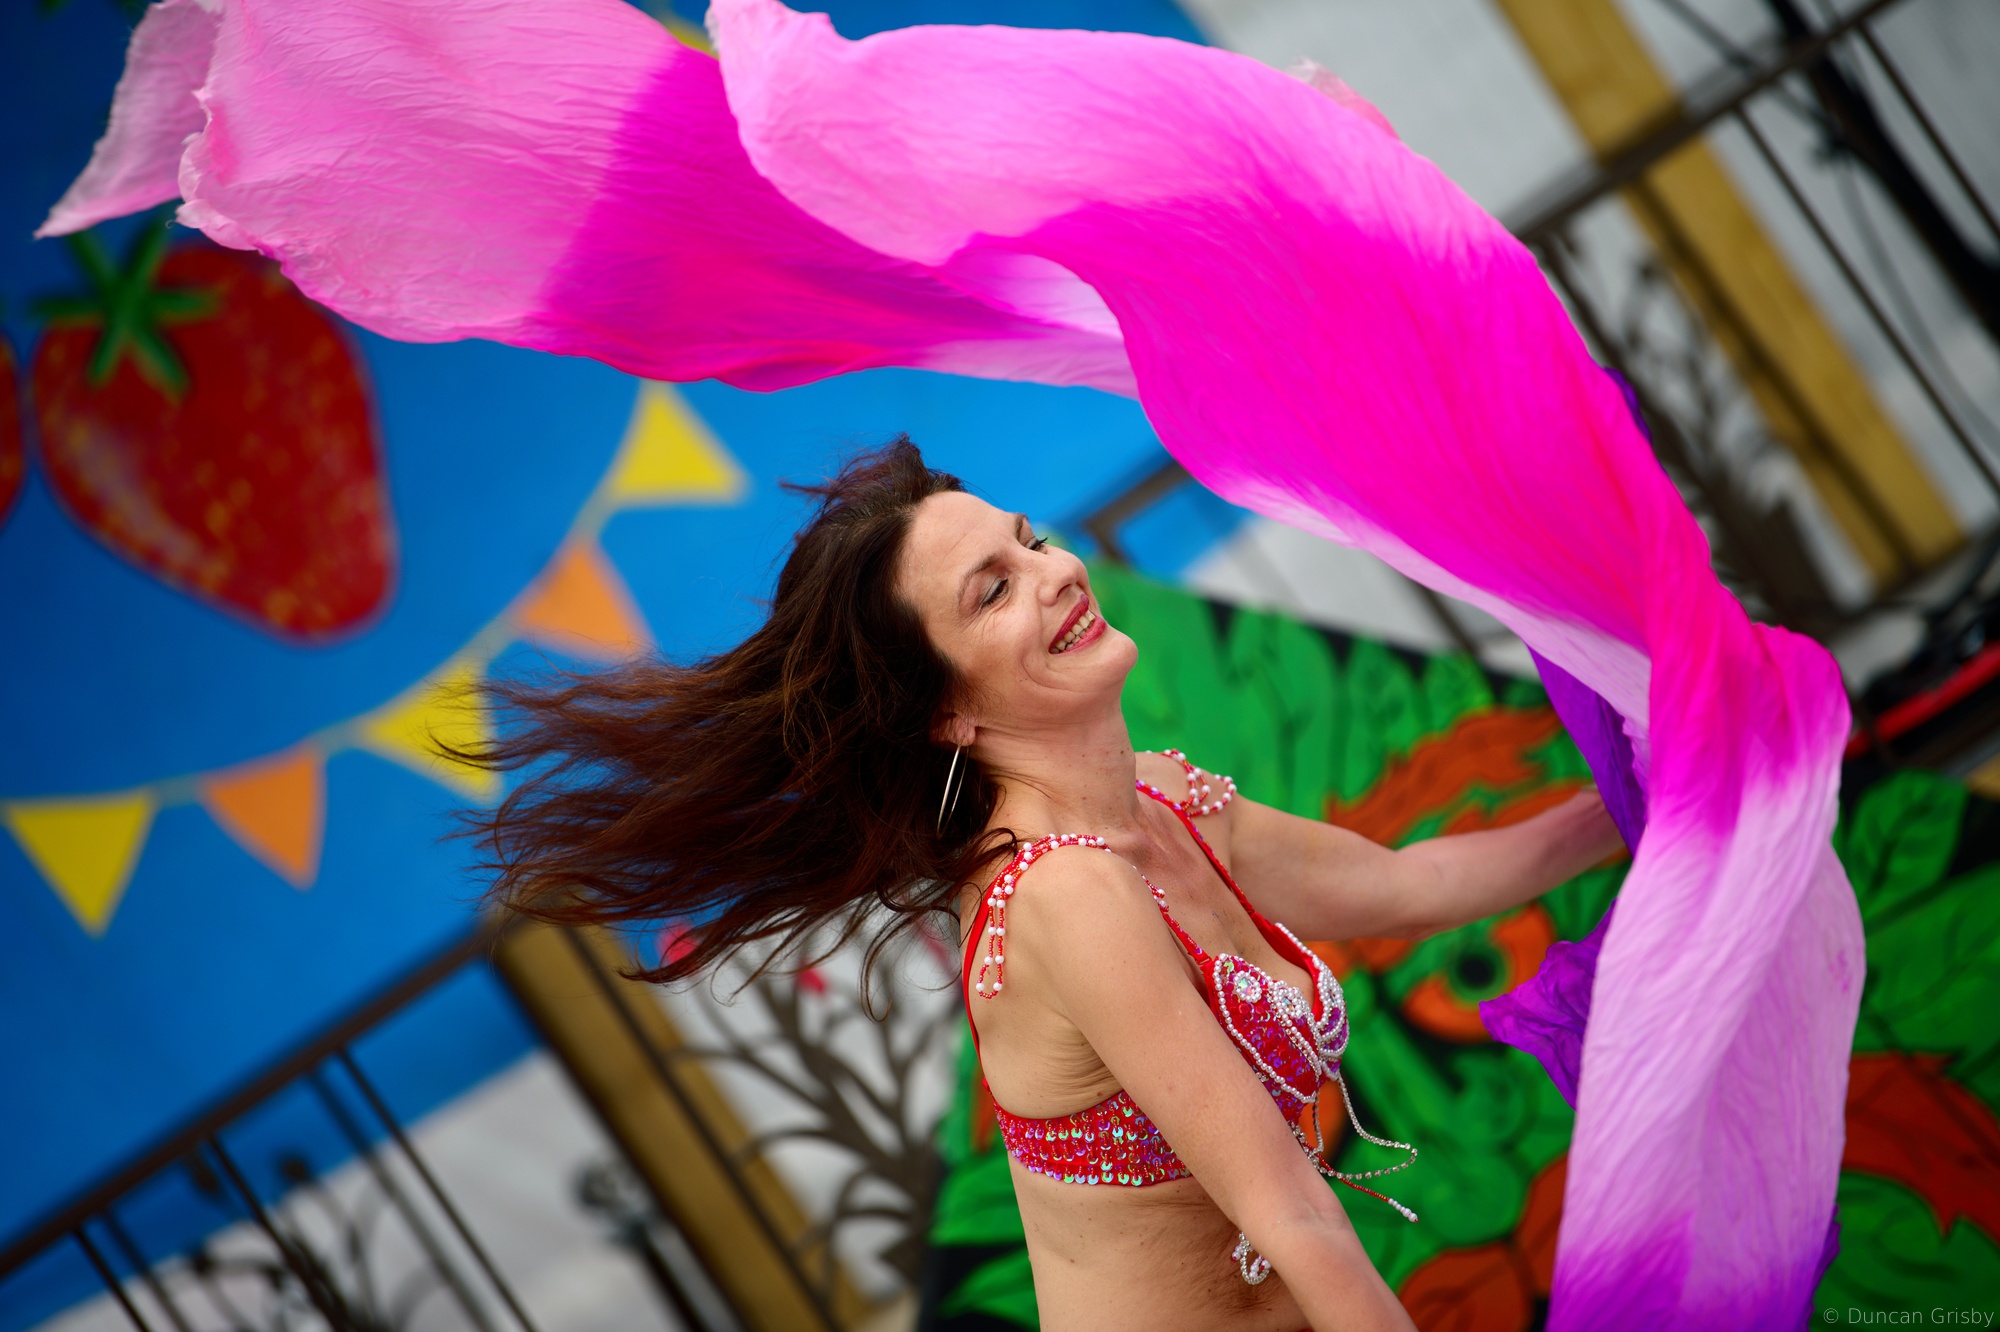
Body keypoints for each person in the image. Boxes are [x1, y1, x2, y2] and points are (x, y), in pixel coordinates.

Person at [469, 439, 1625, 1332]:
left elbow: (1411, 886)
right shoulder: (1064, 895)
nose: (1057, 573)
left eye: (1027, 543)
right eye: (992, 591)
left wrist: (1648, 797)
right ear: (945, 712)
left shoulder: (1165, 802)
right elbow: (1288, 1211)